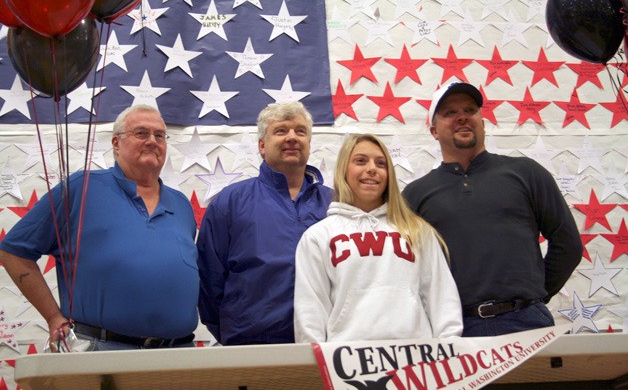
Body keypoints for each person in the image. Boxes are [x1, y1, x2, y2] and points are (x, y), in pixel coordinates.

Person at [0, 104, 199, 351]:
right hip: (101, 351)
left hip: (179, 355)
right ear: (116, 144)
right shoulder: (81, 189)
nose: (152, 141)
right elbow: (13, 251)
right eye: (141, 133)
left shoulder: (181, 205)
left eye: (159, 135)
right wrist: (53, 317)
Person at [402, 82, 583, 337]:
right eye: (450, 113)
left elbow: (568, 244)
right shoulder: (415, 194)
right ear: (433, 130)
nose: (462, 117)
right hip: (455, 330)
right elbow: (405, 268)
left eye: (470, 109)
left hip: (527, 323)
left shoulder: (525, 172)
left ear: (482, 122)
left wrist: (533, 295)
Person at [294, 133, 463, 343]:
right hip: (347, 360)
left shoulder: (417, 230)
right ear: (343, 170)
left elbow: (441, 297)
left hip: (416, 358)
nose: (372, 168)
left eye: (381, 163)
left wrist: (450, 348)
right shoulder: (318, 237)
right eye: (360, 161)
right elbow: (310, 310)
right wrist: (315, 366)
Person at [197, 101, 333, 345]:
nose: (292, 137)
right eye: (281, 131)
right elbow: (209, 280)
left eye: (300, 131)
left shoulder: (335, 205)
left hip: (324, 344)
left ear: (309, 144)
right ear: (261, 145)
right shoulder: (230, 202)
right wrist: (236, 330)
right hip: (250, 345)